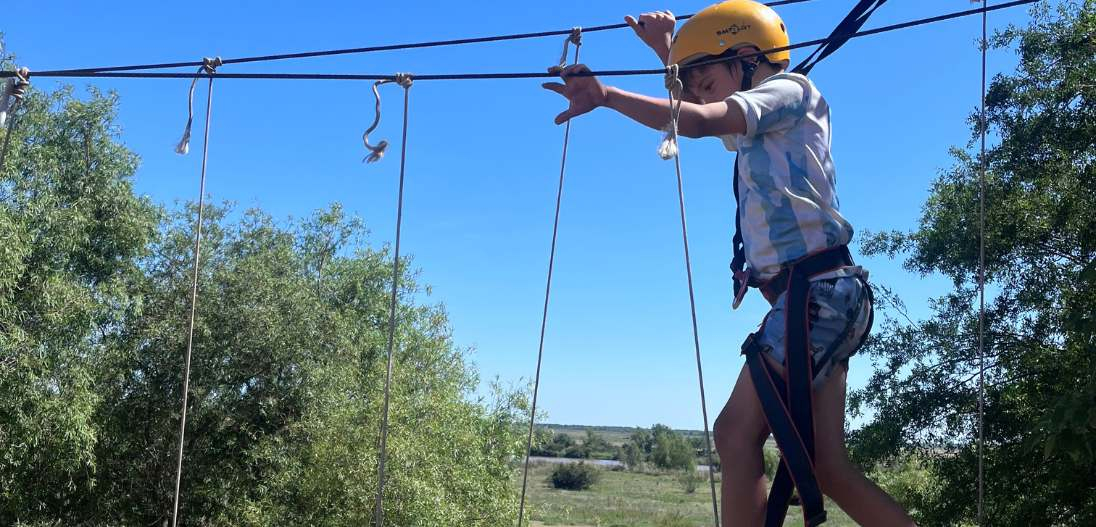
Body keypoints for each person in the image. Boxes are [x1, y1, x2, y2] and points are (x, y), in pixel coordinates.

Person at [543, 1, 917, 525]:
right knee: (826, 466)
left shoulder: (791, 92)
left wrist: (606, 95)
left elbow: (697, 120)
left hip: (816, 295)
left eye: (704, 76)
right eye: (689, 81)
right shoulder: (758, 120)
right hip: (819, 297)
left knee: (734, 433)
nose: (694, 88)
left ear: (746, 56)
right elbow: (697, 108)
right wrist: (666, 52)